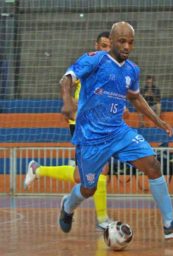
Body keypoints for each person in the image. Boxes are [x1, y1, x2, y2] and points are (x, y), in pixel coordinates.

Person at [58, 21, 173, 239]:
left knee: (153, 165)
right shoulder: (95, 59)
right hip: (91, 137)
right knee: (88, 189)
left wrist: (158, 121)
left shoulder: (132, 69)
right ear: (111, 41)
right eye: (122, 41)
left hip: (119, 132)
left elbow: (136, 98)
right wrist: (67, 102)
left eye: (131, 42)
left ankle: (170, 224)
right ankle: (67, 206)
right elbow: (67, 78)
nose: (127, 46)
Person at [24, 31, 112, 230]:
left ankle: (38, 170)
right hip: (83, 125)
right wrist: (69, 103)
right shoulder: (88, 64)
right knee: (101, 170)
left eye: (109, 46)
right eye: (103, 45)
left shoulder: (112, 69)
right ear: (96, 46)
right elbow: (66, 80)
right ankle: (102, 220)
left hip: (101, 125)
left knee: (85, 175)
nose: (106, 49)